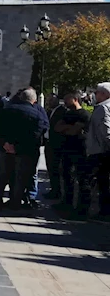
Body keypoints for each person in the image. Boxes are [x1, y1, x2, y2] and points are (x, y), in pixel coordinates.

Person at [0, 88, 48, 210]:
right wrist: (18, 147)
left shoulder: (6, 110)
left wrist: (5, 144)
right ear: (33, 100)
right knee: (20, 177)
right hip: (25, 151)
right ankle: (15, 202)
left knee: (2, 175)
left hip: (6, 149)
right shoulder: (37, 114)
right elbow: (36, 134)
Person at [55, 93, 92, 218]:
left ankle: (82, 208)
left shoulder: (84, 115)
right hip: (67, 149)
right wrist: (70, 127)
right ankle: (67, 203)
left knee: (82, 179)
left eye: (67, 99)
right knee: (67, 177)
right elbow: (57, 127)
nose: (65, 101)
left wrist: (68, 128)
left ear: (75, 99)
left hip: (80, 150)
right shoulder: (67, 114)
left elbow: (73, 131)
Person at [85, 82, 110, 221]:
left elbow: (105, 131)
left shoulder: (102, 108)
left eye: (97, 92)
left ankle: (103, 212)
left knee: (101, 182)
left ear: (104, 94)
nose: (95, 95)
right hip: (103, 150)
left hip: (100, 151)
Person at [44, 96, 66, 200]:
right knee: (50, 167)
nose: (48, 102)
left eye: (51, 100)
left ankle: (57, 192)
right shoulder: (49, 112)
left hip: (56, 144)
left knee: (55, 168)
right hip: (48, 143)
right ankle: (54, 190)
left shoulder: (62, 111)